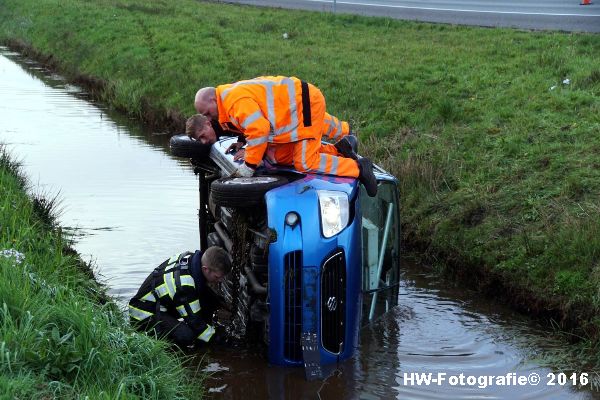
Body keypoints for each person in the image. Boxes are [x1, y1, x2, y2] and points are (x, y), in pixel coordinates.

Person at [190, 76, 378, 196]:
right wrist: (243, 142)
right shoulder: (227, 100)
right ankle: (341, 143)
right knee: (281, 155)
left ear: (213, 100)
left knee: (305, 162)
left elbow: (259, 129)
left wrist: (249, 166)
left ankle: (359, 168)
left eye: (207, 113)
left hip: (304, 104)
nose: (208, 118)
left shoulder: (233, 102)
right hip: (296, 107)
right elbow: (249, 123)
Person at [128, 246, 232, 348]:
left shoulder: (191, 258)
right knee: (186, 335)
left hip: (159, 303)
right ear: (205, 269)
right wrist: (221, 341)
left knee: (208, 300)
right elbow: (195, 323)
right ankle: (165, 350)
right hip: (142, 315)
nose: (220, 280)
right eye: (217, 277)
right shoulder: (185, 285)